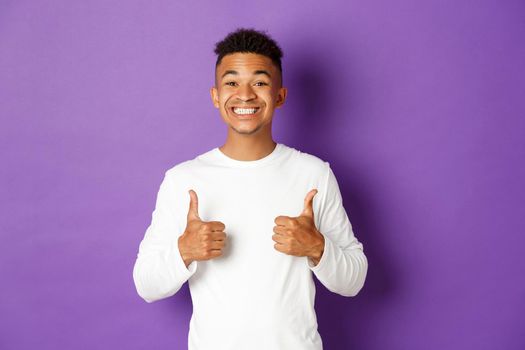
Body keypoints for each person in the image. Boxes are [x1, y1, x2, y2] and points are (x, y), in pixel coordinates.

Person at [132, 27, 368, 350]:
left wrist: (317, 247)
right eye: (231, 82)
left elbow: (354, 280)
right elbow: (145, 283)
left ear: (280, 96)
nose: (245, 95)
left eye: (259, 82)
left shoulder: (314, 174)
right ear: (216, 97)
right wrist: (183, 250)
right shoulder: (182, 180)